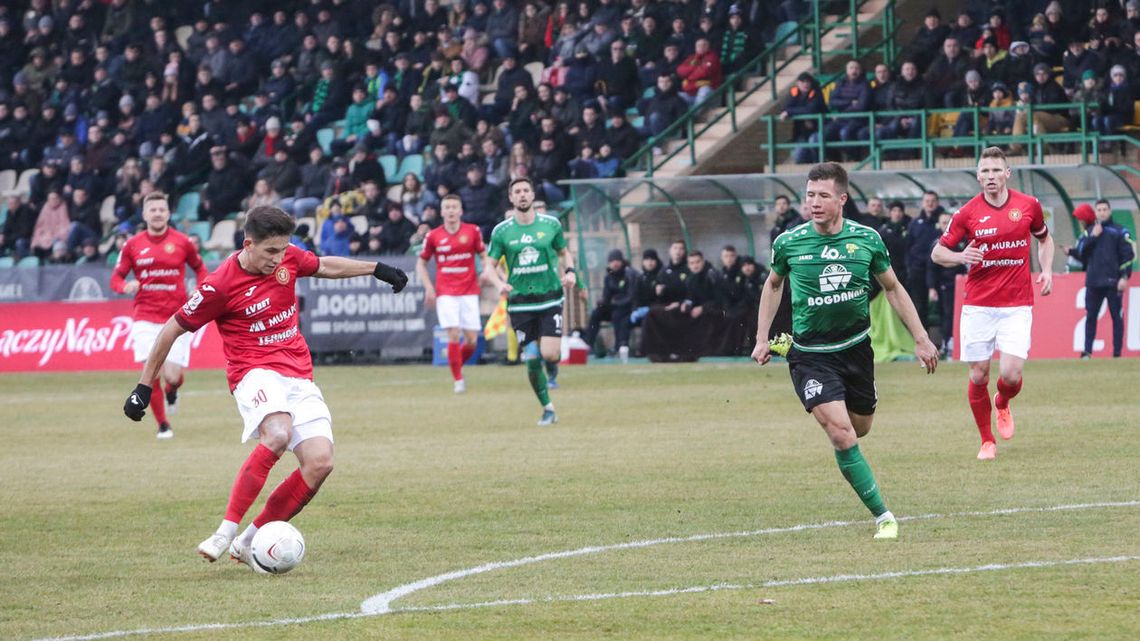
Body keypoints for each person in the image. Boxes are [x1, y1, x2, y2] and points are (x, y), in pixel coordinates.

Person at [123, 205, 408, 568]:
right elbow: (171, 329)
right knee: (278, 433)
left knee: (320, 463)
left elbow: (324, 266)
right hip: (253, 371)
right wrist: (144, 386)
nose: (278, 258)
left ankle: (246, 542)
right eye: (271, 251)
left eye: (283, 249)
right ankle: (224, 532)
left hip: (298, 374)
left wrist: (377, 269)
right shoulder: (219, 285)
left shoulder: (287, 257)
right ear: (248, 244)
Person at [752, 162, 939, 540]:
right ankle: (884, 516)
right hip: (810, 355)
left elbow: (892, 288)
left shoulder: (867, 239)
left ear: (842, 199)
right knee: (841, 434)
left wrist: (921, 337)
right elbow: (773, 285)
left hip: (856, 351)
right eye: (809, 195)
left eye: (823, 195)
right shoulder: (789, 242)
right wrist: (761, 337)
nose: (814, 202)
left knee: (859, 428)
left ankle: (854, 414)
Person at [930, 147, 1055, 461]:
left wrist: (1047, 270)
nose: (991, 176)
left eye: (996, 170)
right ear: (978, 176)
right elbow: (937, 253)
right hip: (979, 306)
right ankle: (987, 441)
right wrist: (961, 255)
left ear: (1007, 174)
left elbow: (1044, 238)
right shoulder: (967, 213)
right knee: (978, 375)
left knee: (1011, 374)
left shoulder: (1028, 205)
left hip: (1017, 303)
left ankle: (1002, 401)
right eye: (985, 171)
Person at [110, 192, 209, 439]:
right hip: (144, 316)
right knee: (151, 372)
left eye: (161, 210)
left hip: (176, 318)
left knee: (172, 376)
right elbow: (116, 278)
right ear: (144, 214)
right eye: (152, 210)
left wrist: (200, 288)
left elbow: (200, 269)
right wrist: (125, 286)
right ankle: (163, 425)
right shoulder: (132, 245)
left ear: (168, 213)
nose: (157, 213)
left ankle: (172, 390)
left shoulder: (183, 242)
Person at [481, 178, 576, 426]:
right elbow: (489, 266)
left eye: (526, 190)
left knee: (550, 353)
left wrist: (571, 272)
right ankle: (548, 409)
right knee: (532, 358)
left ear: (532, 195)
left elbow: (564, 252)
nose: (522, 195)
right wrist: (500, 284)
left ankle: (553, 366)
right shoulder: (501, 231)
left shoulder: (551, 224)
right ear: (511, 198)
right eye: (517, 192)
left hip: (549, 298)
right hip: (520, 303)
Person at [416, 194, 491, 393]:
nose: (450, 210)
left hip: (469, 290)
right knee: (453, 333)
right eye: (447, 207)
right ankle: (458, 380)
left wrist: (485, 270)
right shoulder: (433, 236)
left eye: (454, 207)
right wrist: (429, 288)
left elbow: (484, 256)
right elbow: (421, 264)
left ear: (460, 211)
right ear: (441, 212)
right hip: (446, 291)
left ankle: (456, 364)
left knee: (472, 340)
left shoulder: (473, 231)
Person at [1063, 199, 1134, 358]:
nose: (1102, 213)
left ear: (1110, 211)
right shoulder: (1089, 232)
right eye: (1099, 210)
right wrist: (1092, 237)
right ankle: (1087, 352)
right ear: (1095, 213)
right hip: (1093, 282)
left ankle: (1117, 354)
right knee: (1090, 317)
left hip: (1113, 282)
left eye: (1104, 209)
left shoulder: (1120, 231)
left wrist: (1124, 276)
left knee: (1117, 318)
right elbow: (1081, 251)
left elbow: (1128, 256)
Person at [584, 249, 638, 361]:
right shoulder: (609, 277)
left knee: (617, 315)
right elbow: (607, 296)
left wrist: (615, 303)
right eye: (612, 261)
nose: (615, 263)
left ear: (622, 261)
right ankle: (588, 345)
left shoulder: (629, 274)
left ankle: (619, 347)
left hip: (627, 308)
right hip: (614, 307)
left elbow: (631, 297)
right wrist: (602, 303)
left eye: (617, 260)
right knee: (596, 313)